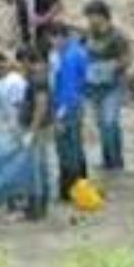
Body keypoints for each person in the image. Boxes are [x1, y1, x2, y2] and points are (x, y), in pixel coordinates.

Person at [83, 0, 130, 171]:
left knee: (110, 123)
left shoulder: (117, 36)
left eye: (93, 17)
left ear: (103, 16)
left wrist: (108, 67)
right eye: (88, 18)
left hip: (112, 86)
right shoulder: (88, 35)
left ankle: (117, 161)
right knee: (101, 125)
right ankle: (107, 160)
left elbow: (127, 60)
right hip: (93, 87)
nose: (91, 21)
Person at [48, 23, 89, 201]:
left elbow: (68, 88)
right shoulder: (75, 52)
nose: (53, 42)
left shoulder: (70, 57)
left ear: (63, 37)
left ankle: (70, 189)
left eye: (55, 38)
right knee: (76, 147)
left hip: (67, 107)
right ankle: (81, 185)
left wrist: (58, 115)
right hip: (76, 104)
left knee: (67, 149)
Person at [18, 48, 52, 219]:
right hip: (40, 126)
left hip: (37, 128)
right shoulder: (38, 75)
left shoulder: (38, 78)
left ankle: (36, 206)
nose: (20, 67)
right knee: (41, 165)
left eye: (21, 63)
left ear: (26, 61)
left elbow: (41, 106)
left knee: (35, 167)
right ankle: (42, 204)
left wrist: (31, 131)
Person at [0, 48, 30, 133]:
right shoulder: (7, 80)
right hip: (12, 122)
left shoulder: (14, 80)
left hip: (15, 124)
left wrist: (12, 125)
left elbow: (18, 106)